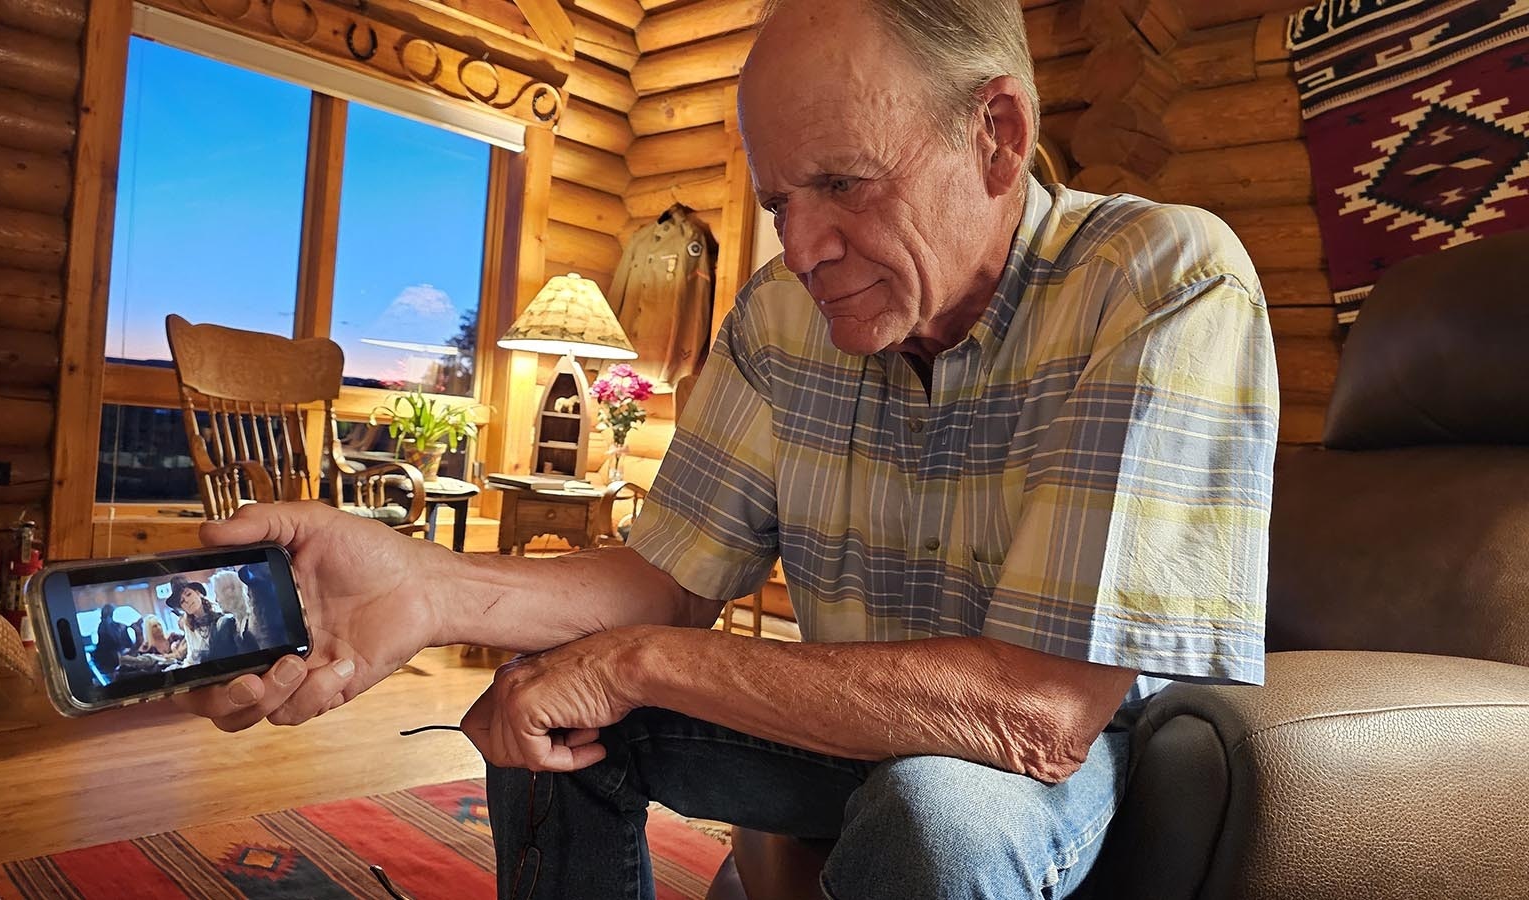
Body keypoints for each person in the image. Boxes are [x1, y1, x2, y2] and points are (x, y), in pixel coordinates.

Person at [174, 0, 1279, 895]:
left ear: (995, 136)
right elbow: (662, 580)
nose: (799, 247)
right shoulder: (781, 317)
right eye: (778, 201)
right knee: (547, 701)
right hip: (837, 728)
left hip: (1067, 762)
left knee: (934, 814)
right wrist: (419, 584)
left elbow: (1038, 715)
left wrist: (641, 661)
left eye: (842, 184)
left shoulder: (1160, 279)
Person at [167, 577, 242, 666]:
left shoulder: (222, 621)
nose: (187, 601)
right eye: (182, 601)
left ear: (198, 593)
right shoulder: (189, 626)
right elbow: (191, 658)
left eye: (188, 594)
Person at [211, 570, 263, 654]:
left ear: (229, 592)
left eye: (217, 594)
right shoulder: (232, 624)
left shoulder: (255, 620)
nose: (216, 600)